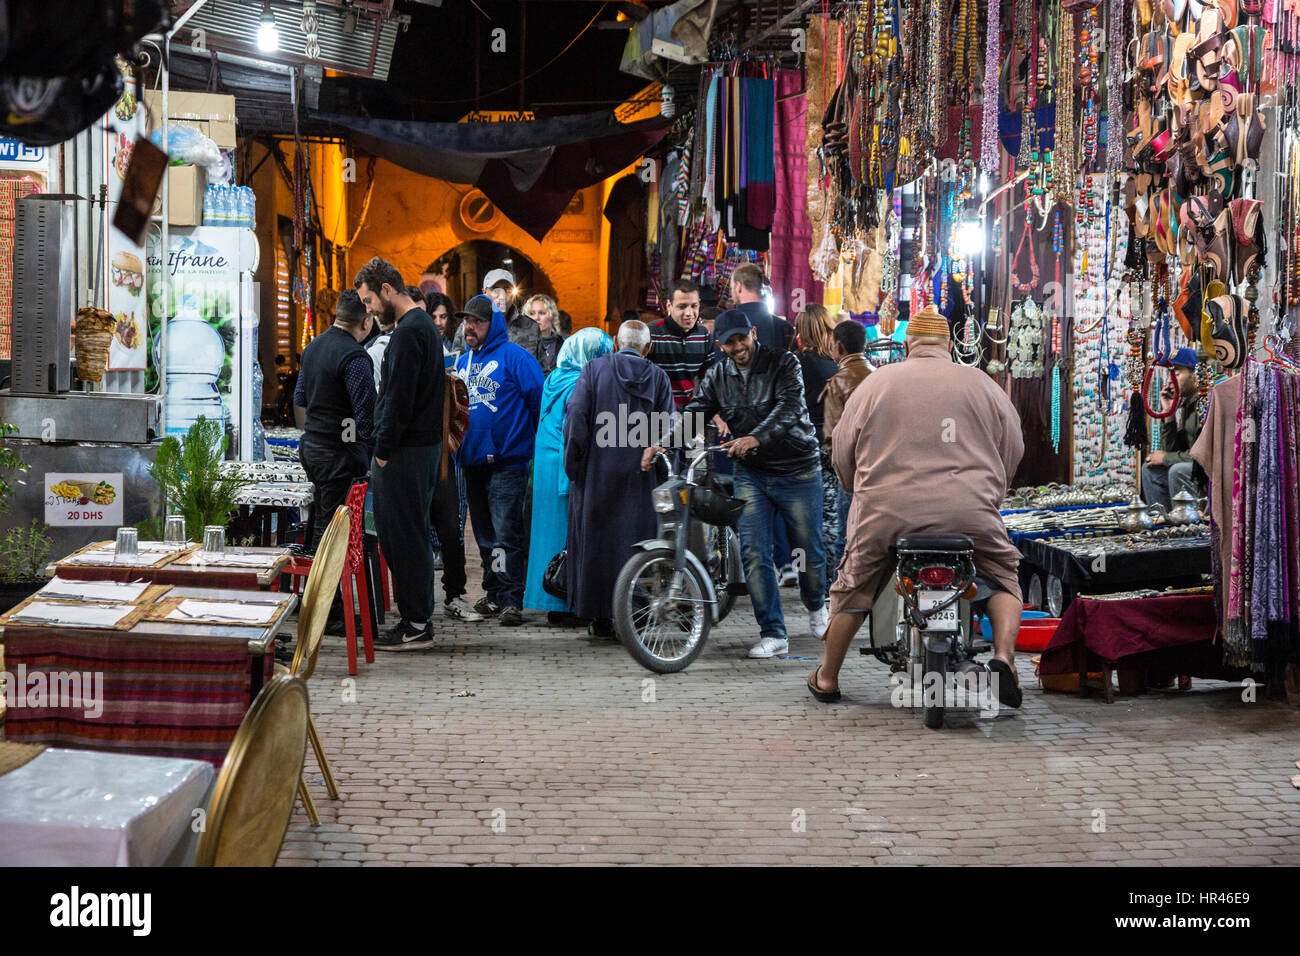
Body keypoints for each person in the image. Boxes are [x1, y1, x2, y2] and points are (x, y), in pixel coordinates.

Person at [810, 305, 1025, 707]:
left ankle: (827, 677)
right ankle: (1004, 659)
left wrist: (856, 487)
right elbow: (1013, 447)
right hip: (969, 511)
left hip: (886, 512)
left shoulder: (877, 383)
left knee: (854, 585)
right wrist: (990, 494)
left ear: (908, 344)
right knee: (1002, 574)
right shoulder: (982, 383)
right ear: (948, 345)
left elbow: (842, 449)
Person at [643, 310, 828, 659]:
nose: (737, 346)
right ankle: (773, 633)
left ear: (753, 333)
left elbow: (789, 409)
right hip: (751, 474)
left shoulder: (784, 362)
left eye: (742, 338)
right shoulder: (717, 375)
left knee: (809, 548)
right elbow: (695, 411)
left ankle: (816, 605)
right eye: (729, 342)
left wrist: (755, 437)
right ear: (720, 345)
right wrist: (663, 442)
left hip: (797, 469)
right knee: (754, 553)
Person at [355, 257, 445, 650]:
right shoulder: (421, 327)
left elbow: (398, 398)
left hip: (406, 452)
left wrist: (383, 451)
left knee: (402, 535)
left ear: (388, 291)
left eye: (370, 300)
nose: (369, 310)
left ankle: (417, 625)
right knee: (409, 534)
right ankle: (417, 619)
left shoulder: (409, 333)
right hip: (418, 449)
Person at [568, 321, 675, 637]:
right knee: (638, 544)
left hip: (597, 474)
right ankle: (637, 617)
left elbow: (575, 415)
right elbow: (670, 428)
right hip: (641, 480)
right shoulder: (658, 378)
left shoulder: (593, 370)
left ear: (616, 343)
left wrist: (575, 465)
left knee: (598, 545)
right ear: (648, 347)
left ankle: (600, 617)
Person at [453, 294, 545, 626]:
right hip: (473, 463)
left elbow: (539, 402)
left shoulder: (517, 358)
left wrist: (523, 442)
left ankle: (510, 599)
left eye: (476, 321)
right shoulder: (462, 362)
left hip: (507, 463)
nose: (469, 327)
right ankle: (493, 594)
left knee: (507, 535)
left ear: (493, 324)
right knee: (487, 538)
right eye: (466, 321)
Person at [523, 328, 614, 627]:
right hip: (564, 464)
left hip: (545, 466)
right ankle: (566, 603)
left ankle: (549, 601)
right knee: (566, 535)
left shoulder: (554, 377)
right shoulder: (580, 382)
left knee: (545, 537)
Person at [294, 289, 375, 554]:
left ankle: (322, 591)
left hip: (311, 448)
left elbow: (301, 397)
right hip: (337, 455)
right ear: (365, 322)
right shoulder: (355, 356)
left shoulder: (312, 348)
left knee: (319, 518)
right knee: (329, 529)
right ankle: (323, 594)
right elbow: (366, 416)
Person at [794, 304, 841, 597]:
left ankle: (815, 581)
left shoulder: (797, 363)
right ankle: (831, 580)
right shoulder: (837, 365)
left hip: (805, 444)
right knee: (832, 513)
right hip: (833, 443)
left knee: (808, 515)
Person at [819, 318, 871, 585]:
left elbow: (832, 437)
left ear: (837, 347)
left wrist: (841, 473)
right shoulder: (879, 376)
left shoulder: (838, 382)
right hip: (879, 470)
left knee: (844, 534)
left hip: (850, 472)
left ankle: (841, 588)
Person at [1141, 348, 1203, 512]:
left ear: (1195, 375)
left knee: (1177, 470)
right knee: (1150, 470)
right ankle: (1163, 522)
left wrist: (1166, 458)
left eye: (1176, 374)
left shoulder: (1204, 404)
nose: (1170, 381)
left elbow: (1201, 454)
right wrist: (1168, 415)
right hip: (1194, 466)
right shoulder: (1186, 405)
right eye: (1169, 374)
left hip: (1207, 468)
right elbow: (1171, 449)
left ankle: (1186, 524)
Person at [648, 278, 714, 411]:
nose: (689, 313)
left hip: (686, 413)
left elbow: (709, 382)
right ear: (669, 306)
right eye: (682, 306)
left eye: (694, 306)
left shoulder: (704, 336)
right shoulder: (651, 333)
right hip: (654, 414)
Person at [729, 262, 794, 352]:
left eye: (732, 288)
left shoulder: (726, 326)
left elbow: (720, 364)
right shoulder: (785, 328)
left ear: (738, 287)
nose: (731, 293)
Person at [512, 293, 566, 374]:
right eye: (532, 313)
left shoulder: (566, 344)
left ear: (552, 316)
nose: (536, 318)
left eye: (542, 313)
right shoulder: (517, 345)